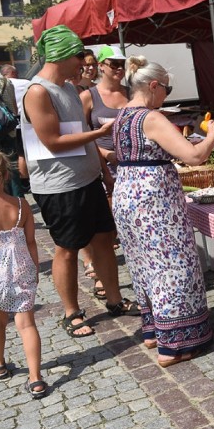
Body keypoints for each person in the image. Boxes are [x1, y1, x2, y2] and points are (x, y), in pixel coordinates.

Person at [22, 25, 139, 340]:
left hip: (87, 180)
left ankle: (114, 299)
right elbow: (54, 141)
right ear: (61, 54)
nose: (83, 64)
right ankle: (71, 312)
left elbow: (82, 139)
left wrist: (103, 170)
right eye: (78, 56)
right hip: (60, 187)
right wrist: (101, 134)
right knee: (68, 249)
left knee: (103, 238)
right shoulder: (38, 92)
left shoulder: (70, 88)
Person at [112, 56, 214, 366]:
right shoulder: (152, 118)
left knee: (144, 265)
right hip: (154, 197)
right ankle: (175, 345)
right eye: (167, 90)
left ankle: (154, 332)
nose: (166, 96)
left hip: (127, 193)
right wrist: (212, 135)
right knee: (172, 266)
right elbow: (194, 156)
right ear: (154, 86)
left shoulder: (121, 115)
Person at [0, 150, 45, 398]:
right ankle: (35, 378)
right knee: (26, 325)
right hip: (21, 269)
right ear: (6, 175)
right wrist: (34, 270)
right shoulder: (22, 206)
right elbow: (32, 242)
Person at [80, 45, 128, 299]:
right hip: (103, 168)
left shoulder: (130, 94)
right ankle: (103, 279)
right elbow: (82, 137)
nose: (119, 68)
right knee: (106, 229)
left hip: (131, 168)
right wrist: (105, 158)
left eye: (122, 63)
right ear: (101, 66)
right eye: (114, 64)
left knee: (128, 227)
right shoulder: (89, 96)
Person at [0, 65, 30, 195]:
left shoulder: (0, 82)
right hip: (15, 125)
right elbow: (14, 108)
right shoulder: (22, 83)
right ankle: (22, 187)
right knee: (20, 154)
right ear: (13, 72)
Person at [0, 69, 21, 197]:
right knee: (13, 170)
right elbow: (14, 109)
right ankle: (18, 203)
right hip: (8, 130)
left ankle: (1, 202)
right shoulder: (5, 80)